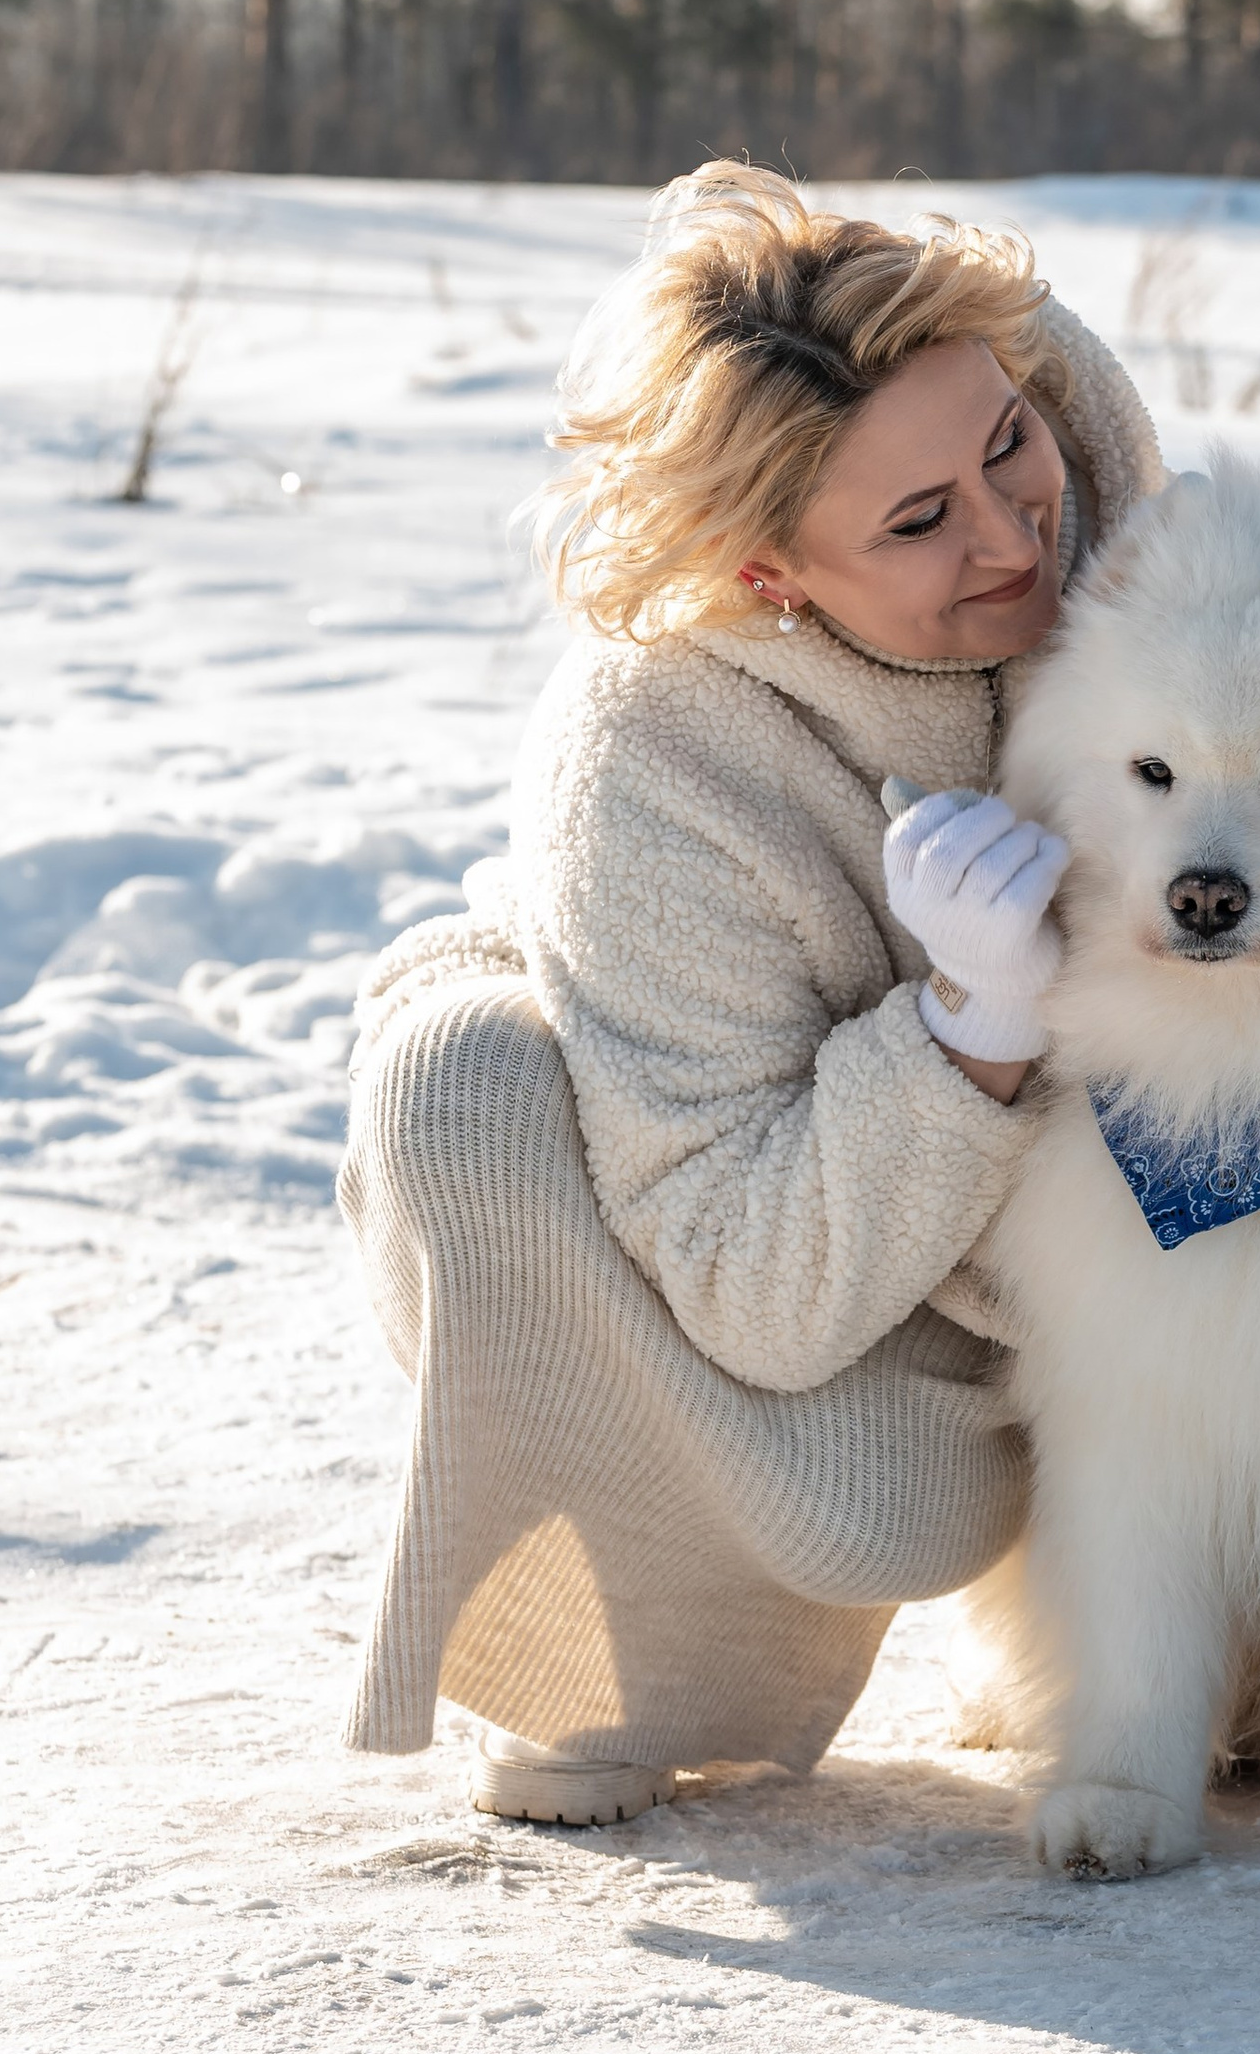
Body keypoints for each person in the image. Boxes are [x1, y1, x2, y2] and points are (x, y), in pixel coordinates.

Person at [341, 164, 1163, 1824]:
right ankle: (614, 1666)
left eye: (1008, 447)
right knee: (464, 1086)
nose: (1017, 535)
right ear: (766, 570)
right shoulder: (653, 756)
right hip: (769, 1194)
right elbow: (745, 1275)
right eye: (918, 524)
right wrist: (968, 1035)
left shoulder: (1106, 483)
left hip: (1074, 1247)